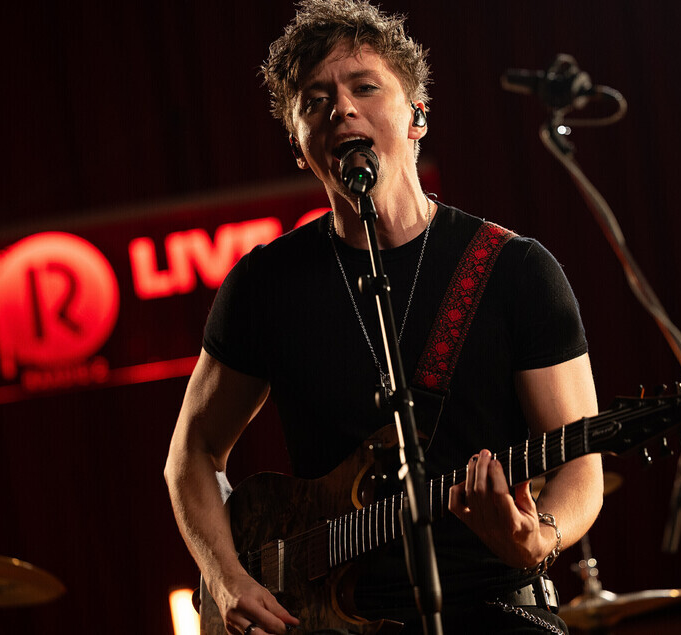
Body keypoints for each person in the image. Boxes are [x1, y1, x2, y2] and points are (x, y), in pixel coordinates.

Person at [164, 1, 604, 633]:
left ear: (417, 116)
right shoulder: (266, 285)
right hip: (334, 619)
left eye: (364, 87)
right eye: (314, 101)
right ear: (299, 147)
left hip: (496, 608)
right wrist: (224, 576)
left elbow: (580, 460)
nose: (341, 109)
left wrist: (542, 537)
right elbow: (193, 450)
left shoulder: (515, 270)